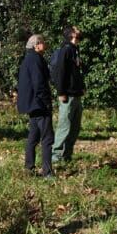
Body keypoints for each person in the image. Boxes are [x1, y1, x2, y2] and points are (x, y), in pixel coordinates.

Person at [17, 33, 53, 177]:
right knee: (47, 138)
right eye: (43, 42)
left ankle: (29, 167)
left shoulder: (28, 59)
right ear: (36, 45)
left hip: (32, 104)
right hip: (39, 104)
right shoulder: (36, 59)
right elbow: (39, 83)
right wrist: (46, 102)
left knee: (33, 137)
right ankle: (47, 172)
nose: (45, 44)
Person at [51, 25, 85, 164]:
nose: (80, 31)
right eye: (77, 29)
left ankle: (67, 156)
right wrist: (61, 92)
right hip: (67, 95)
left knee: (75, 127)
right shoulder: (65, 50)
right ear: (72, 34)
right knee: (64, 126)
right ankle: (56, 157)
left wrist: (82, 87)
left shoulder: (75, 49)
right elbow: (61, 73)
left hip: (76, 94)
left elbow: (76, 73)